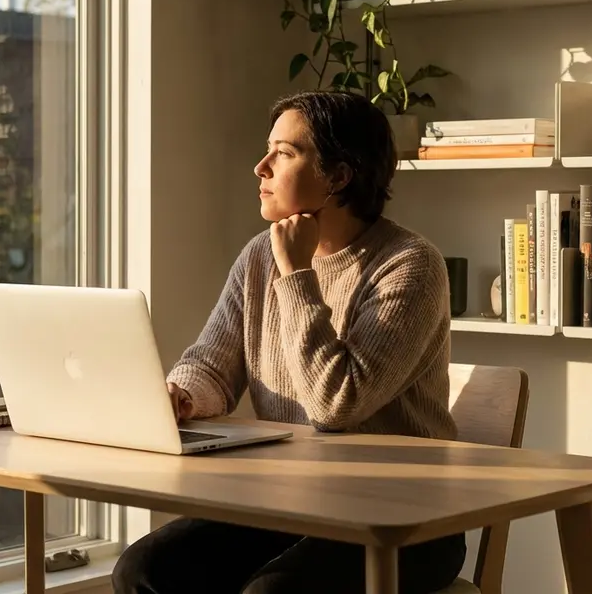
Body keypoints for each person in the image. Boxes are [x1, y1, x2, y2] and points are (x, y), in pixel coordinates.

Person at [112, 90, 465, 594]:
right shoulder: (260, 253)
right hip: (290, 501)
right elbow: (212, 364)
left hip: (409, 519)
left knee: (274, 592)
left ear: (339, 176)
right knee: (142, 570)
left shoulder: (409, 265)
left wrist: (297, 274)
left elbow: (336, 404)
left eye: (284, 153)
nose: (261, 167)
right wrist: (181, 396)